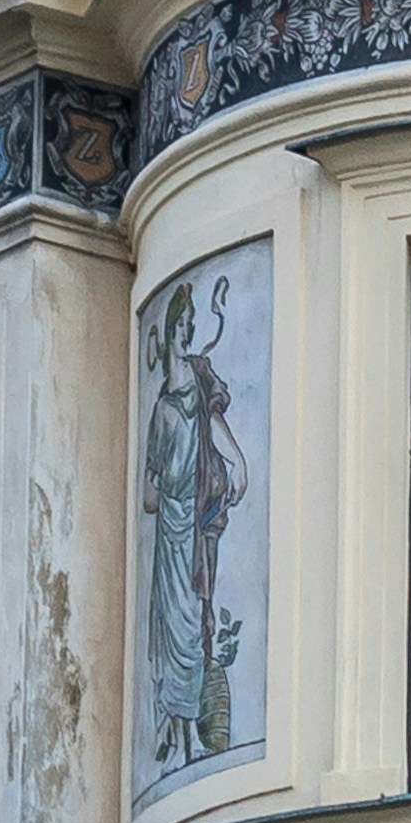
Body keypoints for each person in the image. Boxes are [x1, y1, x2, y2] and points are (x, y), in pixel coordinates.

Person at [140, 265, 252, 770]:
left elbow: (214, 424)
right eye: (182, 327)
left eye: (189, 326)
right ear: (170, 335)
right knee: (174, 627)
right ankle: (175, 726)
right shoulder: (161, 409)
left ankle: (188, 728)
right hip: (174, 533)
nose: (188, 333)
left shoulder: (192, 387)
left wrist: (237, 462)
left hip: (191, 524)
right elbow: (146, 496)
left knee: (193, 623)